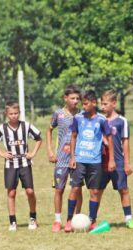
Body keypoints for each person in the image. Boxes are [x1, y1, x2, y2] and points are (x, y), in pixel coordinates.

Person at [65, 90, 115, 232]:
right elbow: (73, 136)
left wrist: (111, 159)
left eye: (86, 104)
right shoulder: (78, 118)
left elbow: (109, 139)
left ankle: (92, 220)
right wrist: (73, 157)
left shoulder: (101, 120)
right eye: (83, 104)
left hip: (95, 161)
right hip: (79, 160)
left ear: (94, 103)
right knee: (75, 188)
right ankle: (69, 220)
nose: (83, 106)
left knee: (94, 191)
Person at [0, 102, 42, 231]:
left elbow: (39, 139)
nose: (13, 116)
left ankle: (33, 218)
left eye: (16, 113)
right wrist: (1, 153)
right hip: (10, 165)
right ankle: (13, 221)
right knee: (11, 192)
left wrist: (33, 153)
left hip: (25, 163)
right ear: (7, 115)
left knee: (30, 191)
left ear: (19, 113)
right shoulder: (2, 129)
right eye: (11, 114)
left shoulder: (26, 126)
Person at [46, 84, 83, 232]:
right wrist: (49, 150)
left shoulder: (82, 115)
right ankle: (57, 220)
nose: (75, 101)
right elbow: (49, 130)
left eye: (77, 98)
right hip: (61, 158)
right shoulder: (58, 114)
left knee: (77, 189)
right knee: (59, 189)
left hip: (78, 158)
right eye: (72, 98)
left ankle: (76, 219)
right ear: (65, 98)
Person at [99, 90, 133, 228]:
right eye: (101, 104)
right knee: (97, 190)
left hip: (118, 162)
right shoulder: (99, 120)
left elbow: (125, 143)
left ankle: (129, 219)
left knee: (123, 189)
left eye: (105, 104)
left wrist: (127, 163)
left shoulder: (122, 121)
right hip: (101, 161)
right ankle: (92, 219)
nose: (102, 107)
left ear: (114, 104)